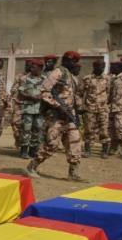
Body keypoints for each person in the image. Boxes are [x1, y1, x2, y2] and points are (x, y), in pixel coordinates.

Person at [27, 51, 84, 181]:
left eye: (73, 61)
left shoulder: (72, 77)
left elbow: (74, 97)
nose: (70, 63)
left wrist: (78, 110)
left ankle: (73, 173)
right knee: (51, 144)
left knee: (75, 142)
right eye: (68, 60)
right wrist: (57, 106)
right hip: (56, 116)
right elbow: (44, 92)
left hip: (70, 116)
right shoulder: (58, 72)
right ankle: (32, 167)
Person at [80, 58, 110, 158]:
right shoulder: (87, 79)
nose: (102, 68)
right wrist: (81, 106)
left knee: (104, 130)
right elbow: (80, 93)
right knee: (88, 130)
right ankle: (87, 150)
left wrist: (106, 104)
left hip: (103, 109)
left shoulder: (108, 79)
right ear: (94, 66)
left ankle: (104, 151)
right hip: (90, 109)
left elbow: (109, 93)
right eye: (100, 66)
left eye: (103, 66)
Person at [17, 58, 45, 159]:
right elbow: (21, 92)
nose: (31, 69)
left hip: (40, 109)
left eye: (34, 67)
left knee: (37, 129)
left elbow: (48, 91)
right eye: (31, 67)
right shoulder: (24, 78)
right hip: (27, 108)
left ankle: (33, 150)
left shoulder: (45, 79)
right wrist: (31, 97)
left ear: (40, 68)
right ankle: (24, 150)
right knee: (26, 129)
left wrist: (42, 96)